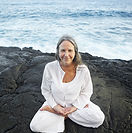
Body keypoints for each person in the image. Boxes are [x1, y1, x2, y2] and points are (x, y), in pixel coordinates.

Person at [30, 35, 105, 133]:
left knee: (99, 118)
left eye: (70, 50)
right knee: (35, 127)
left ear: (75, 52)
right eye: (63, 50)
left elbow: (87, 92)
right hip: (55, 103)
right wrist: (55, 107)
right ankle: (59, 112)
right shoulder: (50, 67)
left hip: (75, 105)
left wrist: (74, 108)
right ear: (58, 51)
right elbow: (46, 90)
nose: (66, 54)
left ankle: (60, 114)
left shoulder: (83, 70)